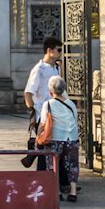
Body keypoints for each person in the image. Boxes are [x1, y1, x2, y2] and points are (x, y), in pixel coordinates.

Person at [36, 74, 82, 202]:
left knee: (52, 165)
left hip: (55, 139)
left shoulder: (48, 104)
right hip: (72, 139)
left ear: (50, 91)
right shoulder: (71, 104)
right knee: (72, 165)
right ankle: (73, 192)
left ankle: (56, 192)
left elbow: (43, 123)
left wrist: (37, 137)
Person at [24, 37, 63, 123]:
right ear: (50, 50)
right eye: (59, 50)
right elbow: (28, 93)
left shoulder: (57, 68)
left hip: (55, 113)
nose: (60, 53)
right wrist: (32, 113)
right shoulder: (39, 69)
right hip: (42, 115)